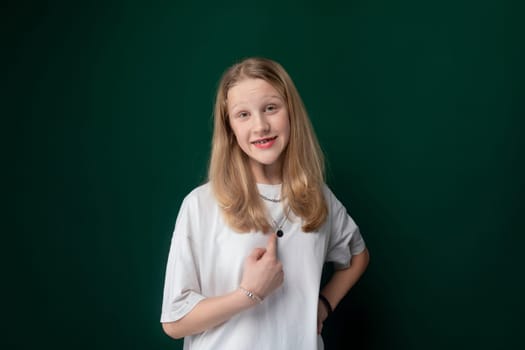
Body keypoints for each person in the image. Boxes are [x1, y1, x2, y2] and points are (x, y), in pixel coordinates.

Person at [160, 57, 370, 350]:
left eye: (271, 108)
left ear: (291, 113)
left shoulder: (317, 197)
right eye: (243, 114)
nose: (260, 125)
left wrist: (323, 306)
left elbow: (358, 256)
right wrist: (250, 293)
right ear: (229, 126)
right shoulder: (202, 204)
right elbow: (174, 321)